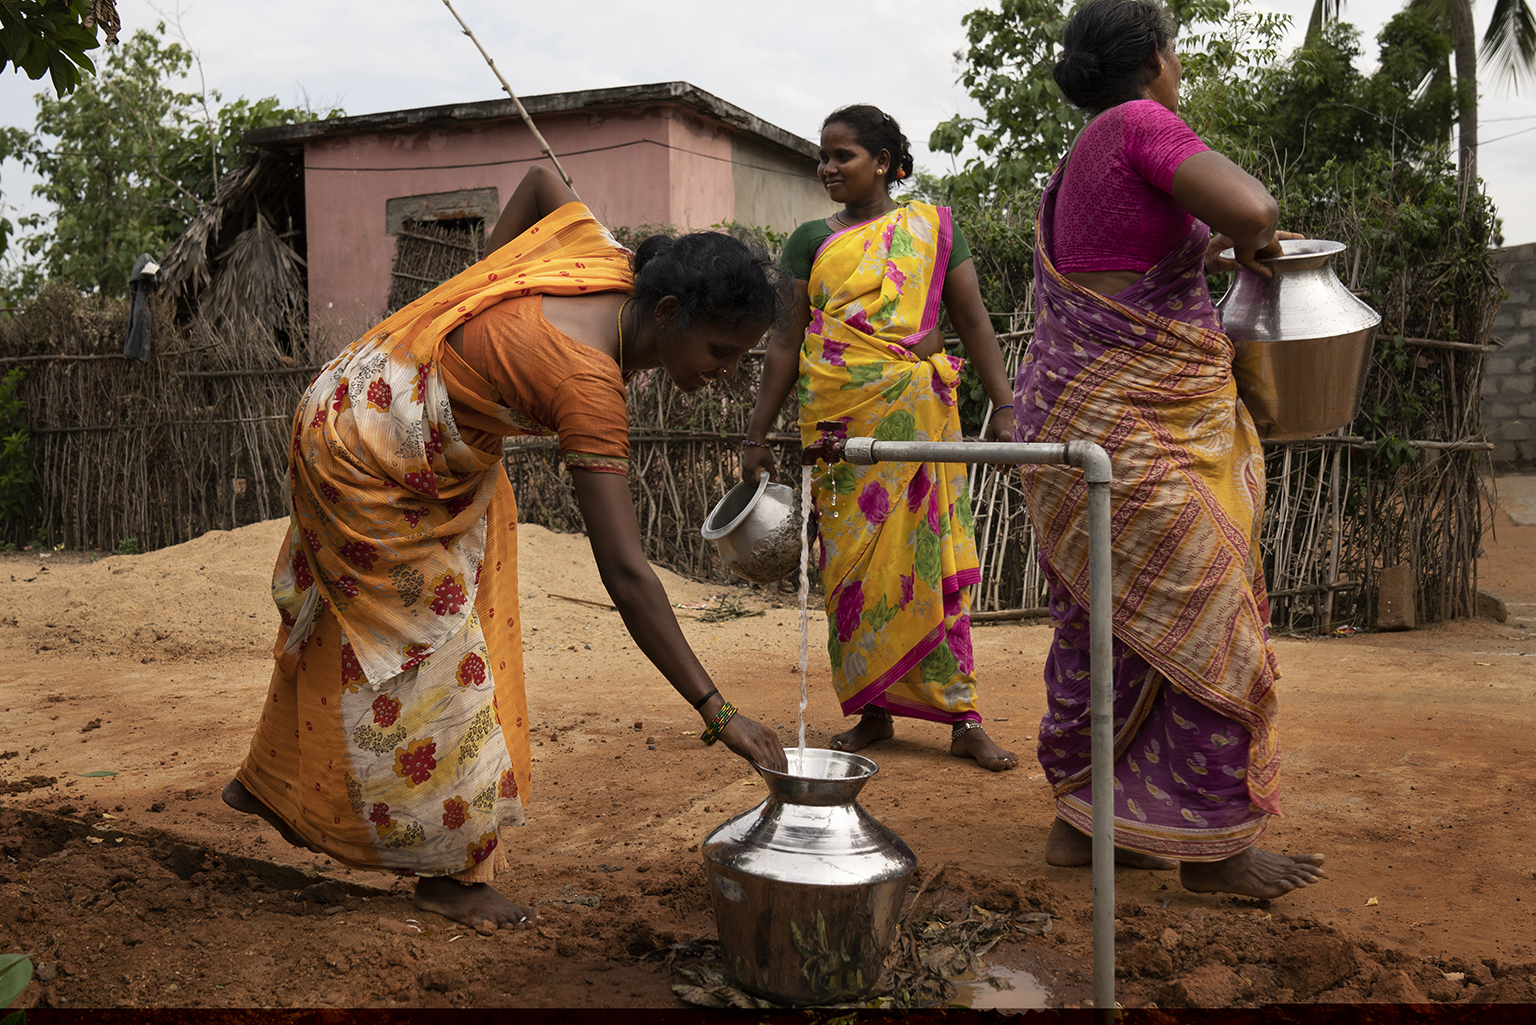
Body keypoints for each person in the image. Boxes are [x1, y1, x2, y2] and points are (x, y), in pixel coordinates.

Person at [223, 165, 789, 929]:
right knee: (438, 652)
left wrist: (477, 289)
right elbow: (625, 572)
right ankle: (450, 876)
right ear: (666, 309)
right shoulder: (588, 385)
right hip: (365, 449)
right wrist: (718, 712)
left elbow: (539, 183)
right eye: (719, 351)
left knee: (382, 610)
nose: (721, 376)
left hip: (364, 391)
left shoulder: (600, 252)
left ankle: (267, 780)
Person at [1016, 0, 1326, 898]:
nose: (1178, 63)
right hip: (1131, 418)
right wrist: (1258, 237)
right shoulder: (1142, 123)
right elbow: (1253, 204)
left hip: (1077, 411)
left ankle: (1084, 821)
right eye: (1176, 50)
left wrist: (1227, 255)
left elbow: (1129, 266)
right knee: (1211, 609)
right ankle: (1216, 849)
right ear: (1155, 57)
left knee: (1101, 617)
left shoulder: (1086, 151)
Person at [743, 104, 1018, 772]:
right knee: (852, 566)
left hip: (916, 416)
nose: (827, 167)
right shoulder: (809, 239)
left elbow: (973, 321)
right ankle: (874, 708)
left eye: (844, 156)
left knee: (929, 556)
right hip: (836, 423)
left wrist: (1006, 403)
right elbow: (786, 339)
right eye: (824, 155)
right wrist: (756, 431)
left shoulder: (932, 228)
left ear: (888, 163)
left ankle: (964, 714)